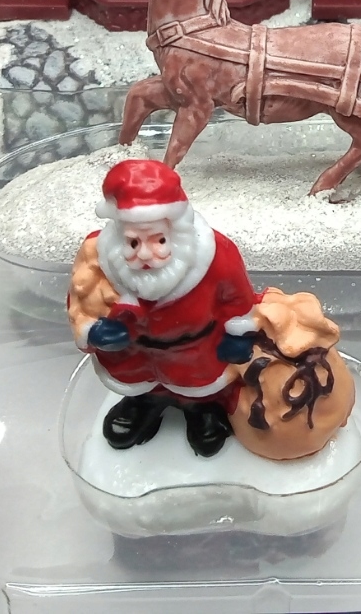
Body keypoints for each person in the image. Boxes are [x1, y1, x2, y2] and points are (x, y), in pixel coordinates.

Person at [67, 159, 260, 456]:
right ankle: (144, 403)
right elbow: (81, 298)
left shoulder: (216, 255)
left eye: (158, 240)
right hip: (134, 354)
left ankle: (200, 408)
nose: (145, 254)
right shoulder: (97, 258)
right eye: (133, 243)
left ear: (176, 231)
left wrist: (239, 335)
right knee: (140, 384)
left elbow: (238, 299)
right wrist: (93, 331)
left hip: (195, 352)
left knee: (198, 387)